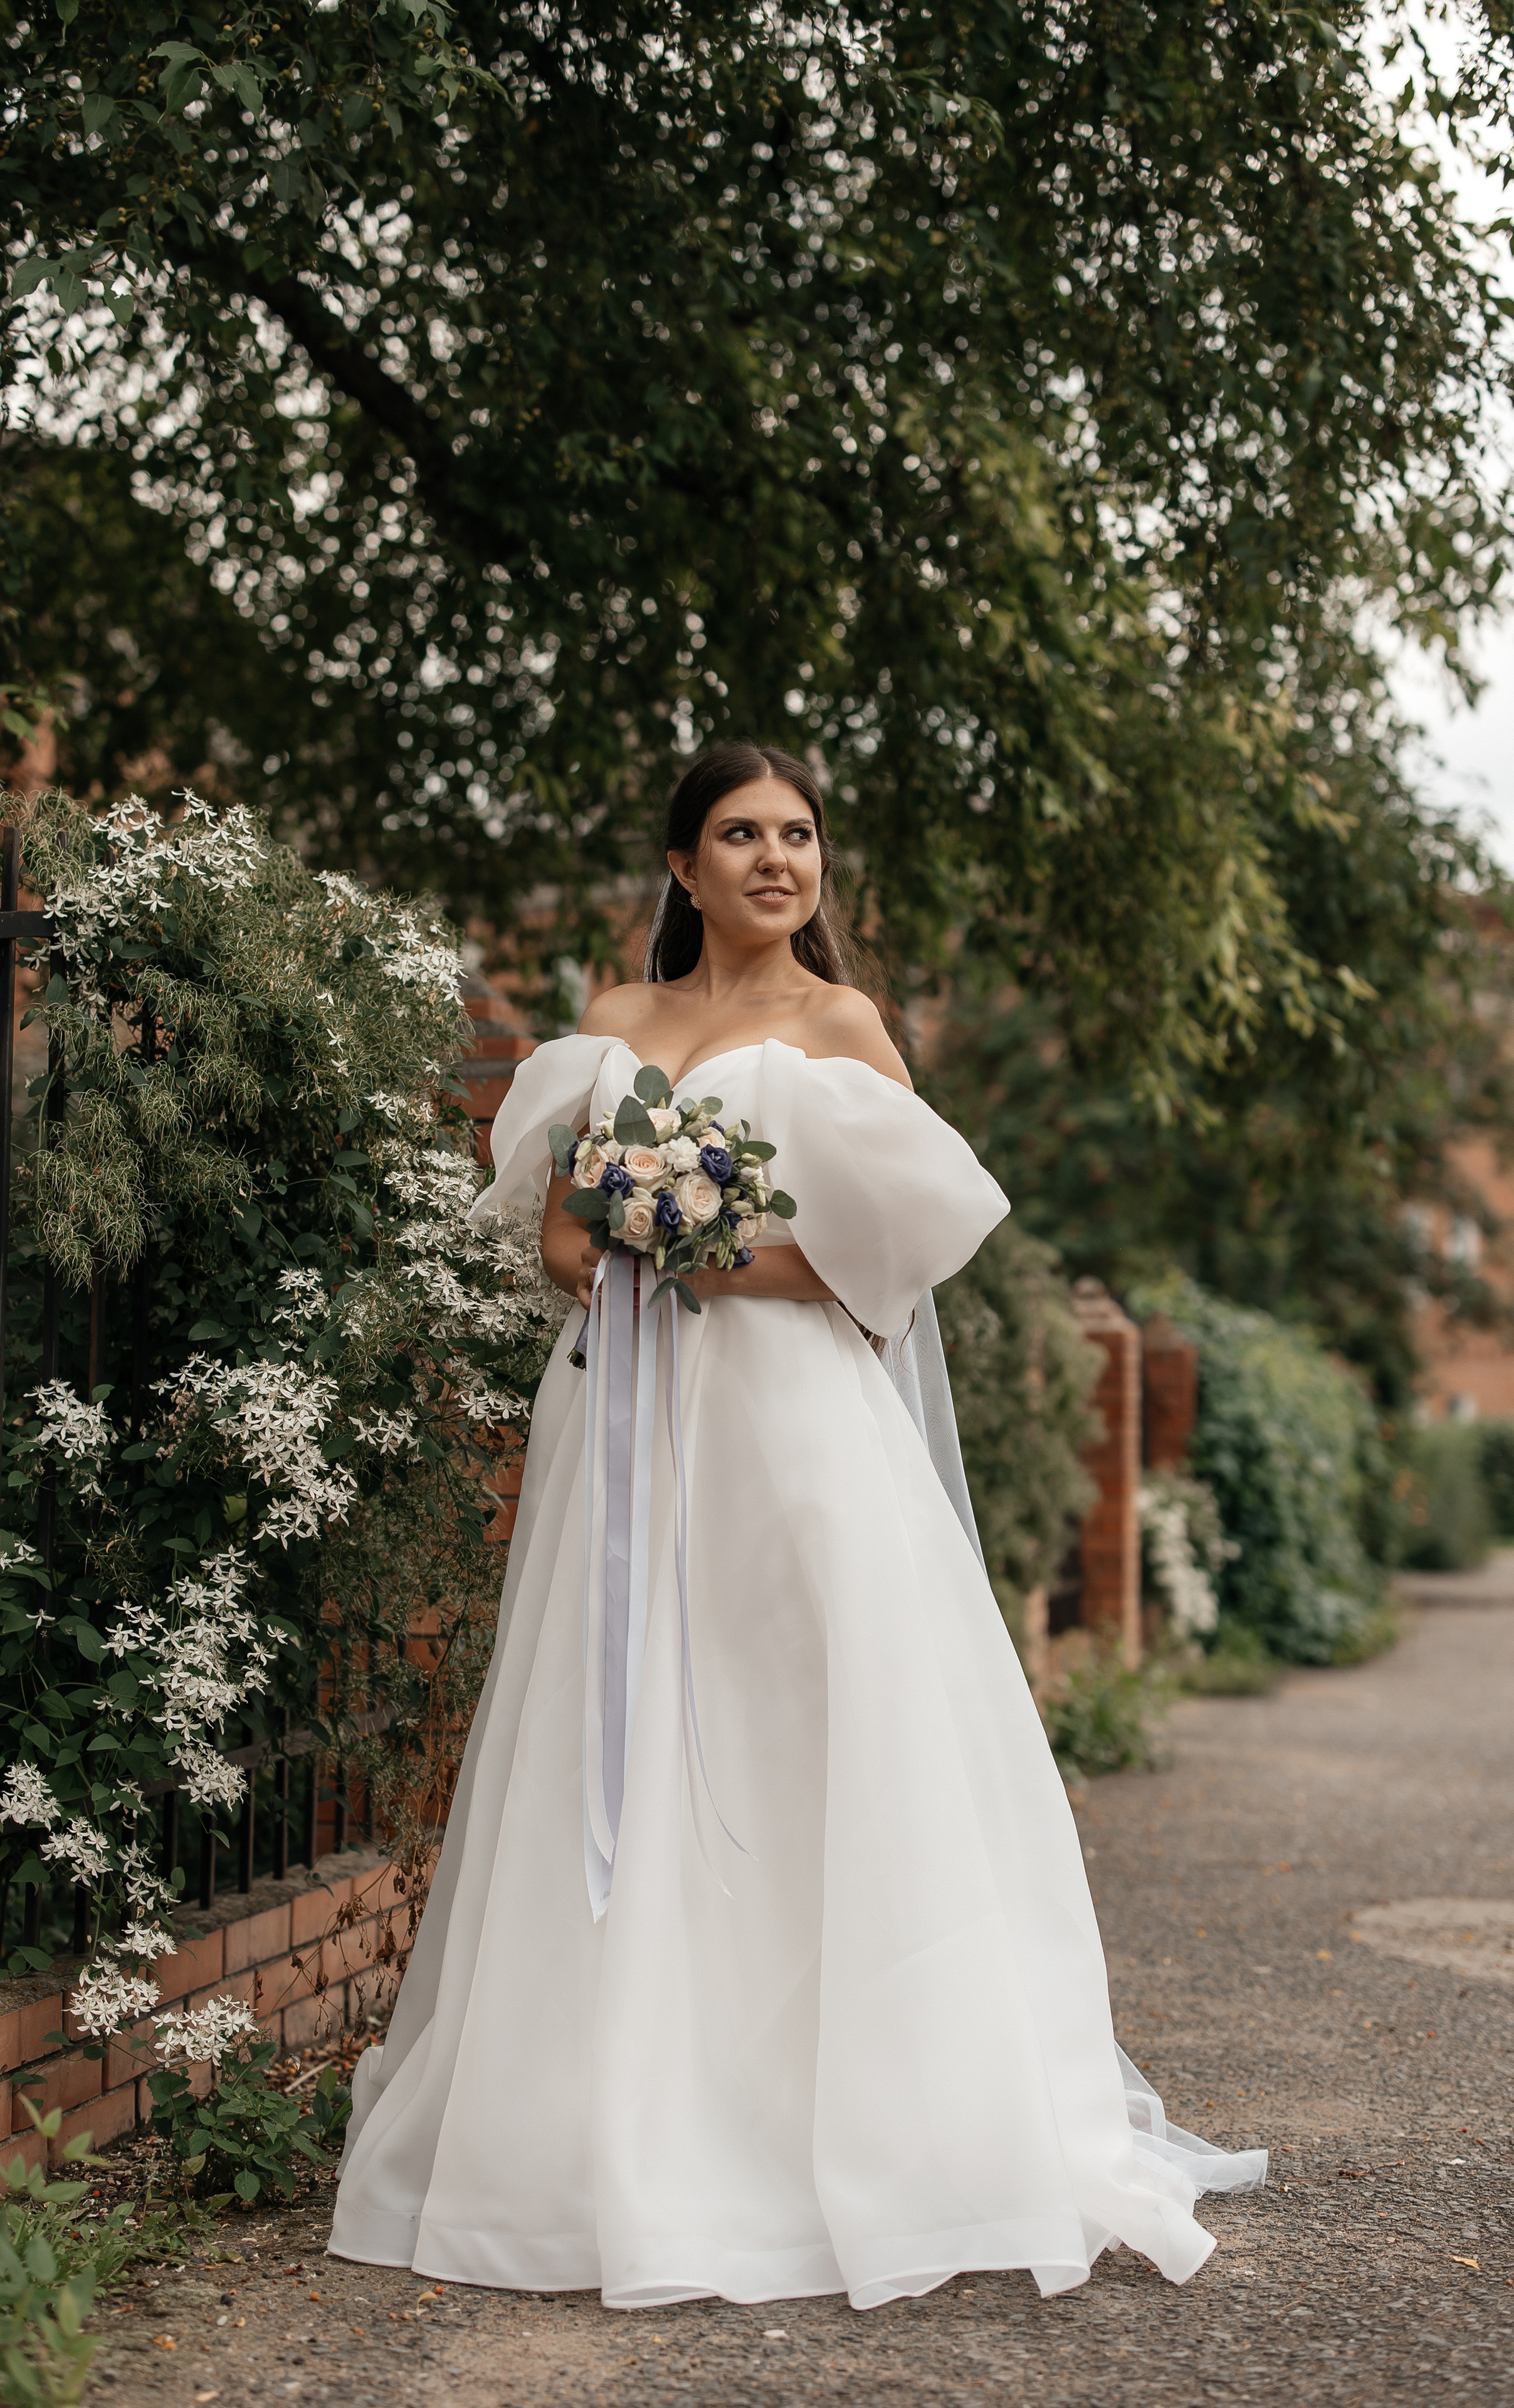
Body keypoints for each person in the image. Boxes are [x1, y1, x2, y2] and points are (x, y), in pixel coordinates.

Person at [327, 739, 1266, 2308]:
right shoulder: (608, 1032)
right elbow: (558, 1241)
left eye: (800, 834)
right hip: (622, 1424)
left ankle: (865, 2123)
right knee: (607, 1719)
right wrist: (616, 1238)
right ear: (680, 868)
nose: (777, 859)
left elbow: (878, 1265)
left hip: (793, 1429)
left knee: (809, 1723)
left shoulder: (842, 1028)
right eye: (740, 834)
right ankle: (614, 2124)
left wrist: (691, 1244)